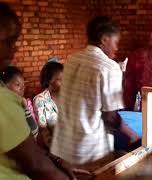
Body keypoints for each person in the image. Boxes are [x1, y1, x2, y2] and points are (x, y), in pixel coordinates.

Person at [0, 2, 90, 180]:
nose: (15, 48)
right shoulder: (16, 101)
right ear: (49, 82)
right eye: (9, 41)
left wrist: (55, 160)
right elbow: (37, 165)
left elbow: (28, 149)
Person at [50, 16, 138, 166]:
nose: (117, 48)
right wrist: (132, 134)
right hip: (90, 149)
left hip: (64, 144)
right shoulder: (109, 67)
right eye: (116, 42)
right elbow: (110, 117)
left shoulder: (72, 59)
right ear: (104, 39)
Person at [1, 66, 38, 137]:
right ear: (4, 86)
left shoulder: (24, 104)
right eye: (17, 85)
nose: (22, 88)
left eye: (23, 85)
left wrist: (26, 108)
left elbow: (34, 131)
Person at [33, 60, 63, 149]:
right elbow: (44, 131)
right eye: (60, 79)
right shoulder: (40, 100)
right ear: (50, 81)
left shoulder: (70, 96)